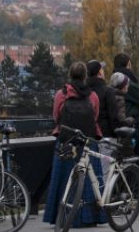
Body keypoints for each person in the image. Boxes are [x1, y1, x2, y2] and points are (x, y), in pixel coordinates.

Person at [43, 62, 106, 228]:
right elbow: (95, 116)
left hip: (66, 141)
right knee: (89, 179)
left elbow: (56, 116)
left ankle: (62, 216)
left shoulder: (61, 94)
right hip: (87, 141)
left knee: (64, 179)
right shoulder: (92, 96)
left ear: (70, 75)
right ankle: (90, 216)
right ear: (85, 76)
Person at [87, 60, 122, 139]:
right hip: (106, 135)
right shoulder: (107, 91)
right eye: (102, 69)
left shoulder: (84, 90)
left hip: (88, 134)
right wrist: (117, 134)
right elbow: (113, 116)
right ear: (99, 72)